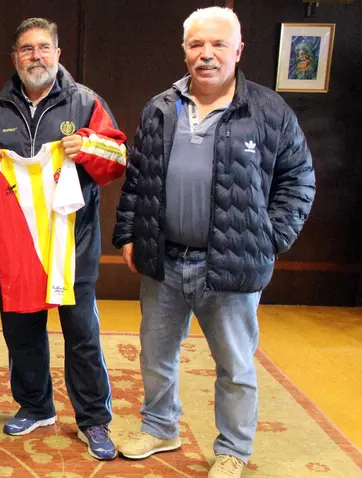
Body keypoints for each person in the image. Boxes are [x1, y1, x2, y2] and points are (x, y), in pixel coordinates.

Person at [113, 7, 315, 477]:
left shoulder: (268, 111)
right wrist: (127, 232)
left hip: (231, 263)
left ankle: (233, 449)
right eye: (197, 45)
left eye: (218, 45)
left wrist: (270, 238)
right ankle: (160, 427)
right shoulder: (159, 107)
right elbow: (138, 177)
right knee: (156, 355)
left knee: (234, 365)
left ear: (238, 51)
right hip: (164, 260)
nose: (207, 54)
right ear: (184, 51)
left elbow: (299, 179)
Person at [0, 18, 126, 461]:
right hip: (17, 245)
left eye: (44, 47)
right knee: (21, 331)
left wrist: (88, 146)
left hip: (74, 245)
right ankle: (35, 405)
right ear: (15, 57)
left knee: (82, 334)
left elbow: (118, 157)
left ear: (57, 53)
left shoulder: (86, 102)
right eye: (27, 49)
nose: (36, 56)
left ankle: (93, 419)